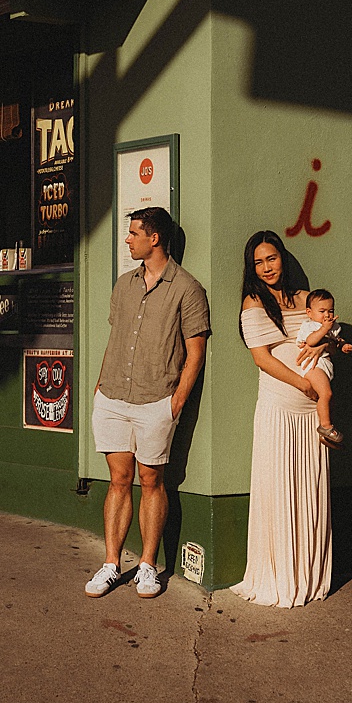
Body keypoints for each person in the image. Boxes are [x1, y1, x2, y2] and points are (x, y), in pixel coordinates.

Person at [86, 207, 209, 599]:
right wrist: (101, 384)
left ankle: (148, 567)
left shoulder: (188, 288)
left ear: (154, 238)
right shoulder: (124, 285)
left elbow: (196, 353)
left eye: (133, 233)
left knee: (152, 482)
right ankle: (110, 564)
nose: (128, 239)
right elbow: (116, 339)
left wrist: (175, 403)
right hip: (113, 397)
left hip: (157, 399)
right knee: (118, 480)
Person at [230, 230, 332, 608]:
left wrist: (322, 352)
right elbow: (262, 358)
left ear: (282, 258)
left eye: (271, 258)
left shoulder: (307, 300)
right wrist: (304, 384)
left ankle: (310, 574)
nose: (266, 267)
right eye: (258, 262)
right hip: (280, 405)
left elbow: (325, 335)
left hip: (311, 415)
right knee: (279, 484)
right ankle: (279, 574)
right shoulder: (253, 302)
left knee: (310, 485)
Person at [293, 287, 352, 446]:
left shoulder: (333, 326)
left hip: (325, 365)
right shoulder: (310, 325)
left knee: (329, 398)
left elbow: (336, 340)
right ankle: (326, 426)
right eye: (322, 311)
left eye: (330, 310)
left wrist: (343, 345)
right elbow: (311, 341)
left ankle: (326, 431)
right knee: (326, 393)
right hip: (313, 366)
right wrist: (324, 329)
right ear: (309, 312)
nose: (327, 315)